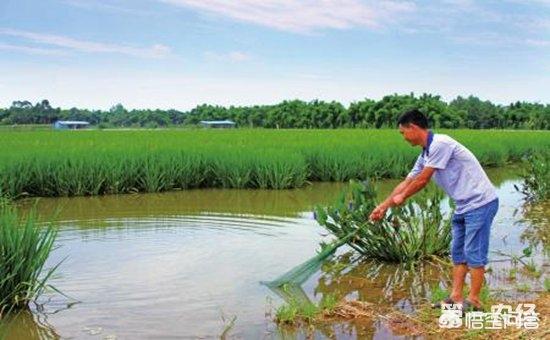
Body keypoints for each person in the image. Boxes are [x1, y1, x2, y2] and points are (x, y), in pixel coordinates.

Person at [369, 109, 499, 311]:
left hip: (480, 202)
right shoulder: (425, 153)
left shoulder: (441, 144)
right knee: (458, 252)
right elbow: (409, 180)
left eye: (403, 132)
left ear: (412, 127)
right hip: (463, 205)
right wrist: (384, 206)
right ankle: (456, 297)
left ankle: (474, 301)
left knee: (474, 252)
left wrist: (403, 197)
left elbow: (422, 180)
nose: (403, 137)